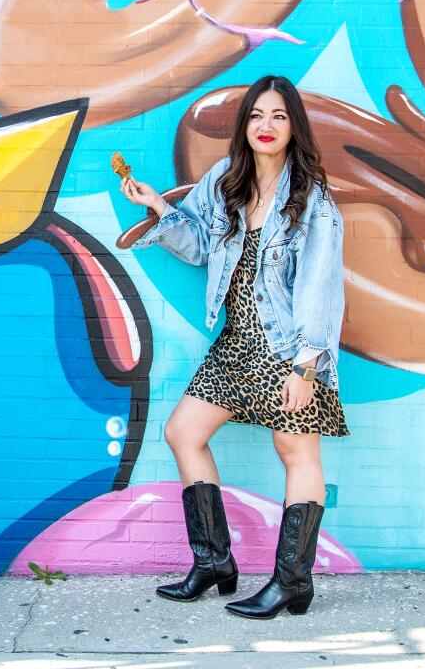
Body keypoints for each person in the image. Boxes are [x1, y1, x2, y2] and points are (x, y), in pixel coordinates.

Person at [121, 75, 347, 619]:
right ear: (244, 125)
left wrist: (307, 364)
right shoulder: (227, 178)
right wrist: (160, 209)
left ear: (294, 127)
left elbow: (321, 282)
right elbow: (199, 247)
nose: (266, 127)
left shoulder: (311, 199)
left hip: (290, 345)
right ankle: (215, 562)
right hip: (237, 339)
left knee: (296, 451)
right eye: (256, 116)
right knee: (184, 432)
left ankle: (292, 581)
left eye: (278, 117)